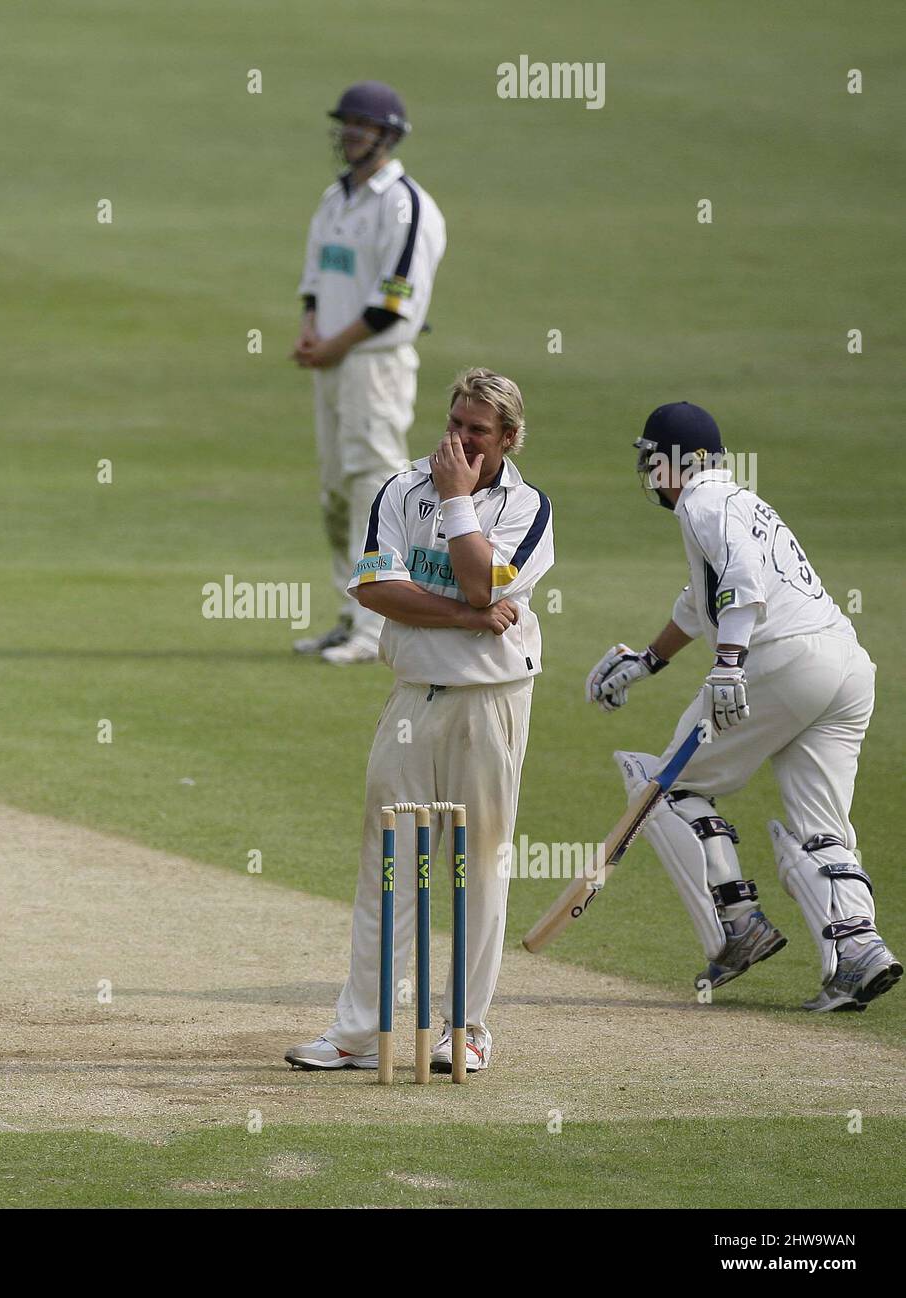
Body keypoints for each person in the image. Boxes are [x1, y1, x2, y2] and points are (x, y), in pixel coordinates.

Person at [586, 402, 900, 1010]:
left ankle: (739, 923)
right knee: (822, 827)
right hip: (844, 666)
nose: (648, 470)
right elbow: (696, 600)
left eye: (652, 458)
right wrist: (648, 660)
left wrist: (728, 662)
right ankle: (858, 951)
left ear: (681, 460)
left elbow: (743, 582)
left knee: (667, 786)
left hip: (776, 661)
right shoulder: (739, 502)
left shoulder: (703, 502)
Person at [286, 367, 553, 1073]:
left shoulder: (529, 508)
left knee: (480, 868)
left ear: (509, 438)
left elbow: (477, 577)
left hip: (490, 705)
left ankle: (464, 1031)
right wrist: (470, 618)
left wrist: (460, 504)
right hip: (412, 699)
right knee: (390, 866)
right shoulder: (402, 488)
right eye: (455, 424)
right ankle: (360, 1031)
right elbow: (377, 588)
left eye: (477, 432)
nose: (459, 441)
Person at [292, 81, 446, 665]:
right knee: (335, 491)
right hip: (331, 363)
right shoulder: (336, 198)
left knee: (372, 491)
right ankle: (347, 613)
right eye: (347, 123)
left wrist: (334, 345)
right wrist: (311, 330)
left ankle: (374, 627)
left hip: (374, 366)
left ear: (389, 134)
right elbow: (314, 280)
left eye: (364, 124)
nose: (352, 133)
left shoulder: (404, 204)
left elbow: (392, 303)